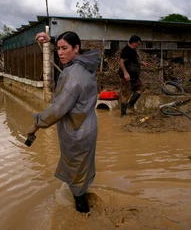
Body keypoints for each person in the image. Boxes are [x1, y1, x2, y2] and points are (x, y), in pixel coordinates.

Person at [27, 31, 101, 213]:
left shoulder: (72, 74)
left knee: (76, 179)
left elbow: (57, 109)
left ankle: (83, 218)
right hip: (87, 126)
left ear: (76, 49)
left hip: (77, 132)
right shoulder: (87, 65)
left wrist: (36, 124)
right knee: (80, 172)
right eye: (58, 48)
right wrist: (51, 39)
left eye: (64, 48)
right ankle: (83, 204)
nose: (59, 53)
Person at [118, 35, 148, 117]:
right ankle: (123, 114)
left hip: (134, 77)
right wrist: (125, 73)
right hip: (126, 77)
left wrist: (143, 63)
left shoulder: (133, 50)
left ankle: (130, 104)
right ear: (133, 43)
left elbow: (135, 60)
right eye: (138, 43)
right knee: (126, 94)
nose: (138, 45)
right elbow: (121, 62)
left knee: (141, 87)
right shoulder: (126, 50)